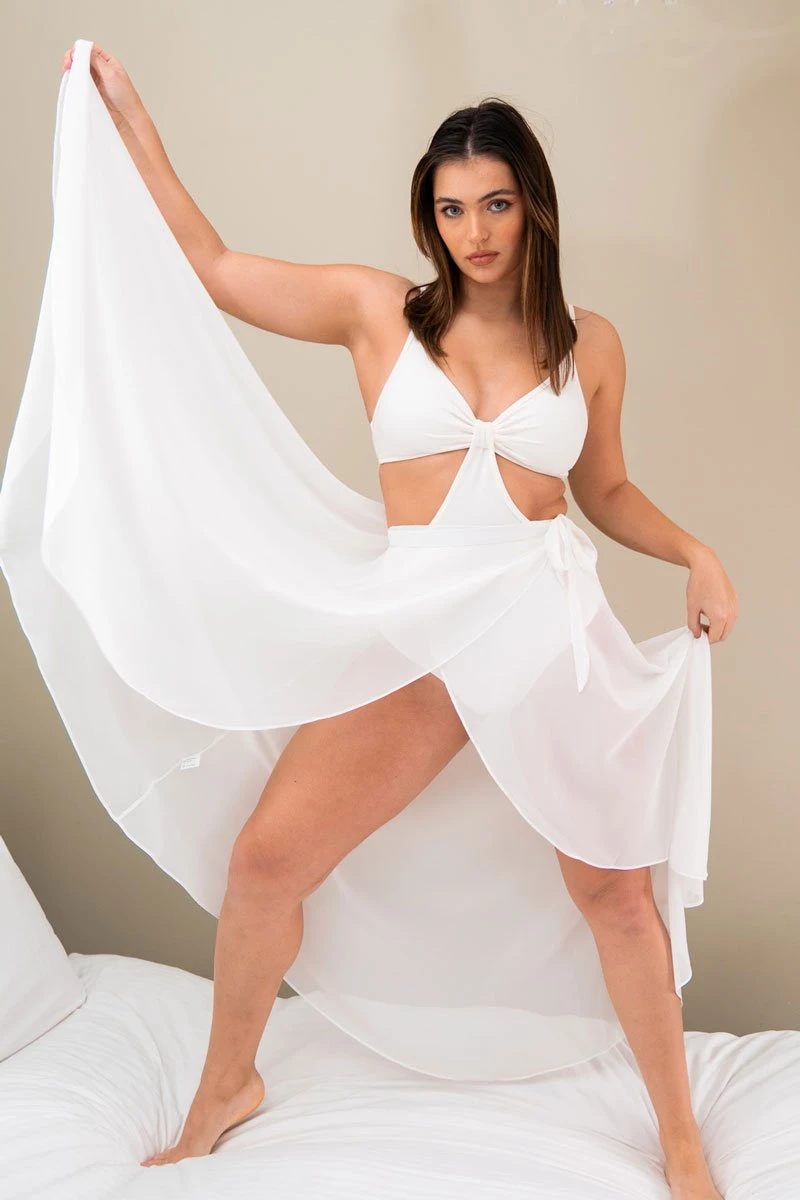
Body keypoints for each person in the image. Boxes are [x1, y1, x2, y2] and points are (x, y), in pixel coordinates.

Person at [14, 41, 735, 1195]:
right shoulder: (377, 313)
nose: (473, 231)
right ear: (427, 218)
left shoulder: (586, 342)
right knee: (265, 862)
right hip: (416, 632)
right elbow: (210, 266)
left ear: (532, 206)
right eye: (450, 209)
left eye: (494, 203)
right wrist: (128, 115)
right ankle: (224, 1088)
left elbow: (599, 490)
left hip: (542, 633)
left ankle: (681, 1141)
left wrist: (694, 553)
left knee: (613, 893)